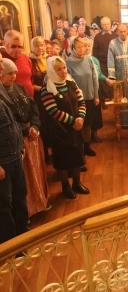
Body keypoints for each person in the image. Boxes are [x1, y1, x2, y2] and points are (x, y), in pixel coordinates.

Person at [0, 58, 49, 216]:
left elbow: (34, 107)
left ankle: (40, 202)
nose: (13, 76)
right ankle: (28, 211)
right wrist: (26, 130)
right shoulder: (2, 95)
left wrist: (35, 126)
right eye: (9, 73)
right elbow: (10, 122)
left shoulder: (20, 87)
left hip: (32, 136)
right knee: (25, 179)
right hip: (18, 142)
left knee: (37, 174)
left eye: (15, 72)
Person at [41, 56, 89, 199]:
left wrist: (80, 118)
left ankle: (77, 183)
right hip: (60, 131)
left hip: (76, 127)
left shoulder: (71, 83)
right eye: (58, 69)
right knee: (63, 159)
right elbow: (53, 111)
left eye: (64, 68)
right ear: (51, 71)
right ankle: (65, 186)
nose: (63, 72)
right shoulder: (47, 89)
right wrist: (73, 121)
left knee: (77, 156)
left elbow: (81, 102)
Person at [0, 53, 29, 244]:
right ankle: (10, 246)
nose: (1, 65)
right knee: (5, 206)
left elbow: (12, 124)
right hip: (2, 162)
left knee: (20, 196)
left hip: (14, 155)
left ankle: (24, 236)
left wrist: (19, 147)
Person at [66, 37, 99, 157]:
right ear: (73, 48)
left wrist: (96, 95)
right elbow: (68, 82)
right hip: (76, 99)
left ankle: (87, 146)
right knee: (79, 123)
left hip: (89, 96)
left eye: (83, 46)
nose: (81, 49)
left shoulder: (89, 59)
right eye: (79, 47)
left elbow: (94, 77)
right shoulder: (67, 62)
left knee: (88, 123)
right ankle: (79, 148)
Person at [1, 30, 33, 97]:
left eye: (20, 46)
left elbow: (31, 78)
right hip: (9, 102)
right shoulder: (1, 59)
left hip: (29, 100)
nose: (17, 49)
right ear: (4, 43)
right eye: (13, 46)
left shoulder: (26, 58)